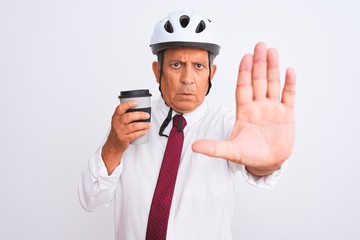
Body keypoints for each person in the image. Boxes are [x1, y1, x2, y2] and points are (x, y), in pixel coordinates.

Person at [78, 9, 296, 240]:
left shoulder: (229, 125)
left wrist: (266, 164)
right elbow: (90, 199)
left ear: (212, 73)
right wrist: (114, 145)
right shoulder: (131, 121)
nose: (187, 78)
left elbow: (257, 163)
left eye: (199, 66)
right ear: (157, 71)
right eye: (176, 65)